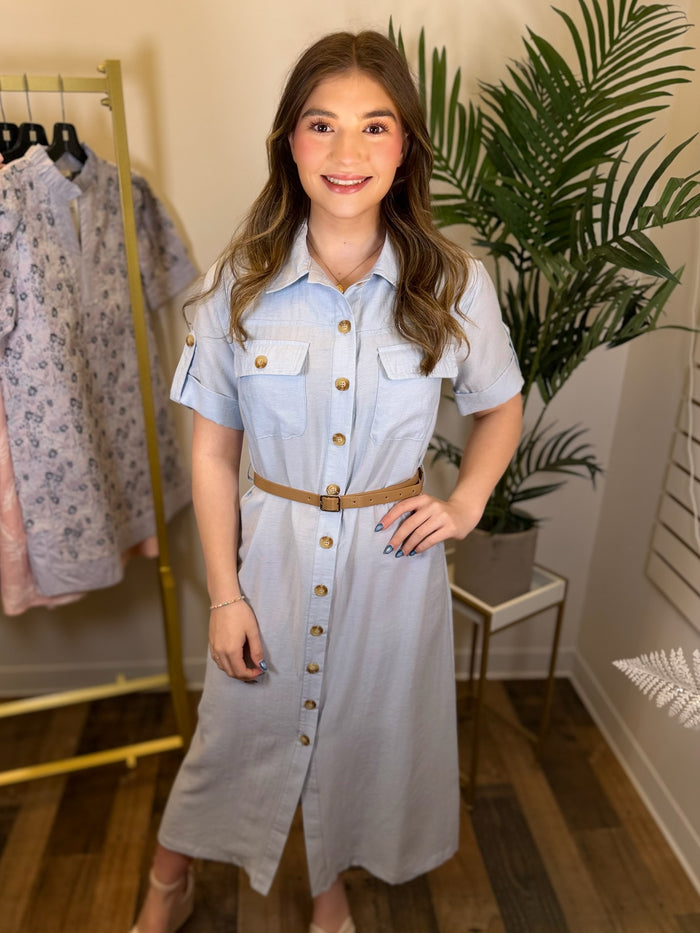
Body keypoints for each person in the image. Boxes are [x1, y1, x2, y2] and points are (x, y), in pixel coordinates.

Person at [130, 29, 523, 933]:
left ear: (406, 146)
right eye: (322, 124)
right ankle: (167, 881)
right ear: (290, 142)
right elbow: (213, 453)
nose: (348, 152)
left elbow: (501, 404)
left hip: (392, 567)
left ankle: (327, 889)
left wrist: (464, 504)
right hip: (270, 559)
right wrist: (225, 594)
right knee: (237, 732)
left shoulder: (454, 283)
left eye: (375, 126)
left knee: (353, 739)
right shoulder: (237, 284)